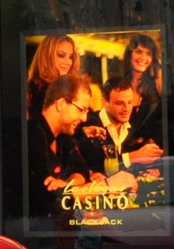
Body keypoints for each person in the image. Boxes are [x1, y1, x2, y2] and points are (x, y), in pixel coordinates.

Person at [26, 73, 98, 219]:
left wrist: (66, 185)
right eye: (81, 109)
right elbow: (49, 195)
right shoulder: (31, 135)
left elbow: (82, 170)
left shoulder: (64, 138)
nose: (84, 118)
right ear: (61, 104)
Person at [74, 76, 163, 180]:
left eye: (129, 102)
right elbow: (99, 166)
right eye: (120, 103)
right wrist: (134, 156)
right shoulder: (90, 125)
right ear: (105, 103)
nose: (126, 109)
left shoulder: (134, 126)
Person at [123, 34, 163, 140]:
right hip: (128, 149)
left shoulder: (156, 84)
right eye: (139, 52)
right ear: (129, 55)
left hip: (153, 148)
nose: (143, 58)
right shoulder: (122, 85)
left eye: (148, 54)